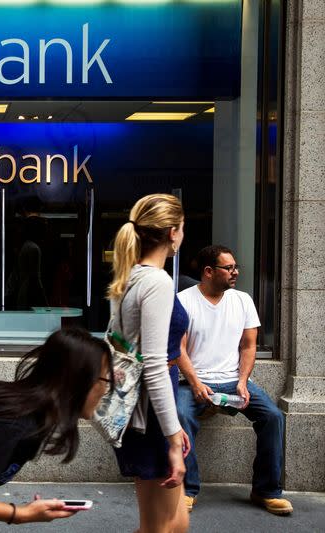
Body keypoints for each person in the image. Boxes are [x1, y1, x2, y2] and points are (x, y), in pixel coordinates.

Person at [0, 328, 113, 525]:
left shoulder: (24, 410)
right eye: (105, 378)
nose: (107, 388)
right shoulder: (17, 424)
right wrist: (22, 514)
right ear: (79, 381)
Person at [176, 245, 291, 515]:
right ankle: (187, 491)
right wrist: (195, 383)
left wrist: (242, 381)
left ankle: (265, 491)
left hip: (233, 381)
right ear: (208, 272)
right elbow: (178, 348)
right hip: (194, 381)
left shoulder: (242, 300)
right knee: (180, 414)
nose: (235, 272)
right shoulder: (183, 301)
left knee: (273, 417)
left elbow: (248, 346)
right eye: (229, 268)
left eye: (235, 267)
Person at [108, 193, 190, 533]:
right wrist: (172, 437)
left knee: (176, 522)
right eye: (183, 228)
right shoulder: (156, 281)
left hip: (145, 408)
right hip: (152, 411)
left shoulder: (130, 277)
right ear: (173, 232)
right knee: (161, 527)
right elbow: (155, 365)